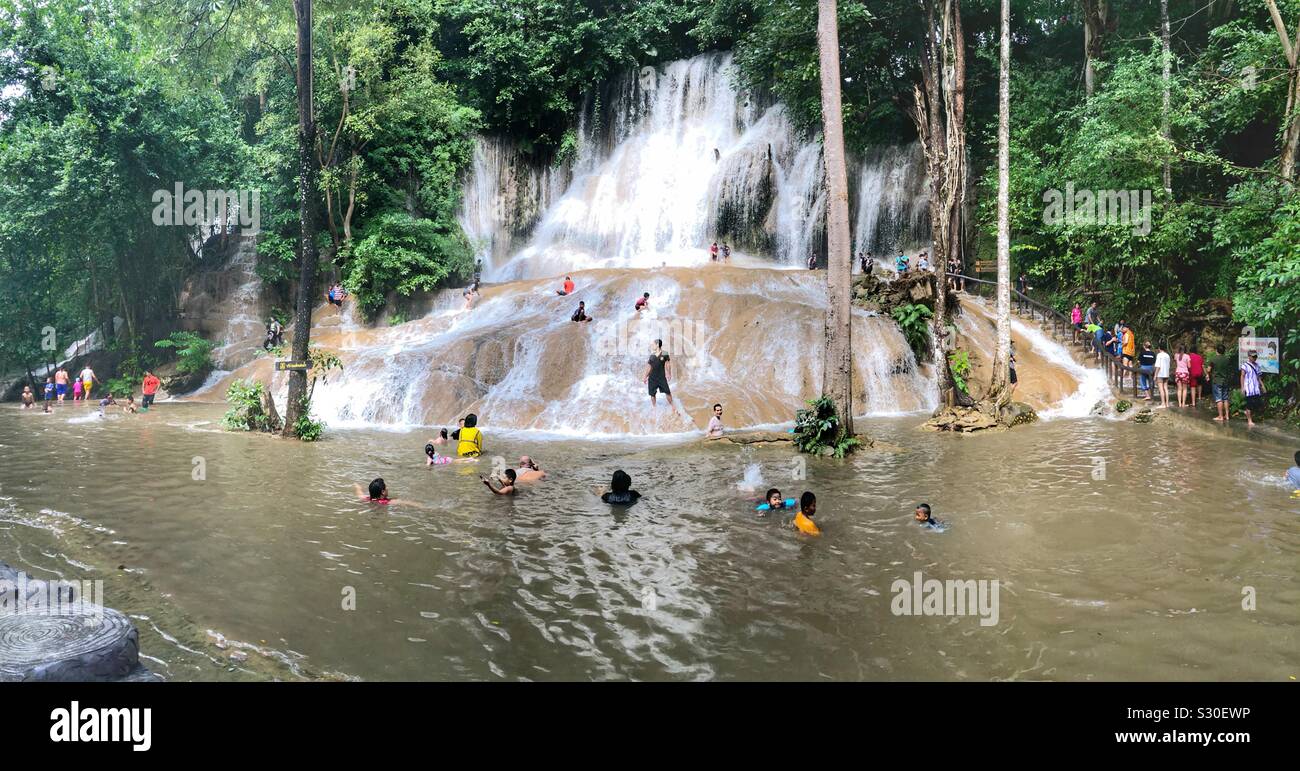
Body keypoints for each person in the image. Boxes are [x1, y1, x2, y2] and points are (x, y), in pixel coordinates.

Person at [1207, 344, 1236, 422]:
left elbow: (1209, 370)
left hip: (1217, 381)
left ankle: (1220, 416)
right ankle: (1227, 415)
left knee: (1219, 399)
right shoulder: (1227, 359)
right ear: (1224, 351)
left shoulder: (1213, 359)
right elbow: (1230, 370)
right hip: (1226, 381)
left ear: (1216, 350)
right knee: (1225, 398)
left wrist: (1209, 374)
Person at [1240, 350, 1266, 427]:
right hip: (1249, 388)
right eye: (1253, 356)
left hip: (1256, 388)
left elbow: (1259, 377)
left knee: (1257, 404)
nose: (1255, 358)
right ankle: (1249, 420)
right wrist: (1242, 387)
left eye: (1256, 356)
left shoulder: (1257, 366)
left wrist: (1262, 386)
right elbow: (1242, 376)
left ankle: (1247, 412)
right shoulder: (1245, 365)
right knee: (1249, 404)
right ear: (1249, 357)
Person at [644, 338, 672, 407]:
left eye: (653, 344)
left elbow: (668, 364)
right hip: (652, 378)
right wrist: (645, 376)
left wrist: (669, 373)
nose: (652, 346)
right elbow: (649, 367)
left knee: (667, 392)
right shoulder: (652, 356)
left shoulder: (665, 353)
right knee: (652, 394)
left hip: (661, 377)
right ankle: (654, 408)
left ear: (657, 345)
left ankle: (672, 406)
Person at [1154, 342, 1171, 408]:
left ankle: (1163, 404)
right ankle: (1167, 404)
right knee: (1166, 388)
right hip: (1166, 374)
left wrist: (1155, 375)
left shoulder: (1159, 355)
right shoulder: (1167, 355)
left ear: (1159, 348)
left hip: (1160, 374)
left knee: (1161, 389)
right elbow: (1169, 365)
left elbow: (1158, 366)